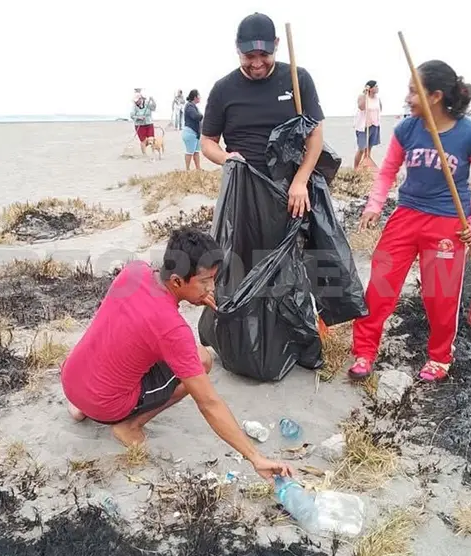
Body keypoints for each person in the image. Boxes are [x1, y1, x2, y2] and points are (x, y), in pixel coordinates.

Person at [60, 227, 295, 482]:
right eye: (205, 281)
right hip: (107, 405)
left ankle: (81, 407)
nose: (211, 287)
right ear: (177, 281)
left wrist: (194, 294)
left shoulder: (134, 271)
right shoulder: (172, 329)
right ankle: (129, 426)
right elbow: (209, 403)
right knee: (202, 360)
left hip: (71, 381)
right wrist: (255, 457)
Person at [348, 60, 471, 383]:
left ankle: (440, 358)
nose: (407, 98)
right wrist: (375, 205)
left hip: (449, 223)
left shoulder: (469, 133)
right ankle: (364, 351)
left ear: (435, 96)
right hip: (406, 216)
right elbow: (387, 171)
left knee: (440, 297)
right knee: (380, 286)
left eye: (413, 91)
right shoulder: (407, 129)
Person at [201, 12, 325, 218]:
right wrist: (226, 158)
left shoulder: (297, 79)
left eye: (264, 55)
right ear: (237, 48)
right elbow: (207, 142)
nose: (257, 63)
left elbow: (315, 133)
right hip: (243, 190)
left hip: (291, 189)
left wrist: (301, 180)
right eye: (249, 56)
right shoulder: (222, 89)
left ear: (276, 44)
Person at [354, 80, 383, 171]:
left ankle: (366, 168)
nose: (377, 88)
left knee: (368, 150)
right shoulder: (362, 97)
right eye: (375, 86)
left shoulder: (378, 99)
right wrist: (365, 94)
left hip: (374, 125)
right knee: (361, 149)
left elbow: (380, 109)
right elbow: (361, 107)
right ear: (370, 88)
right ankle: (355, 168)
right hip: (363, 127)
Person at [182, 89, 204, 171]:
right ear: (195, 97)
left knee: (196, 151)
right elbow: (195, 116)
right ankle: (187, 169)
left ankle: (198, 168)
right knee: (189, 152)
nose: (200, 98)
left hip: (195, 133)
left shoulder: (193, 106)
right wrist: (202, 116)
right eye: (199, 96)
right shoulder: (189, 106)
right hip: (190, 132)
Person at [131, 91, 157, 156]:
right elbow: (132, 116)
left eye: (137, 101)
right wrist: (139, 117)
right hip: (139, 125)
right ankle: (144, 154)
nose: (136, 102)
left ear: (140, 99)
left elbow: (154, 108)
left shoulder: (147, 103)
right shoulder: (134, 106)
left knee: (151, 139)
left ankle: (153, 153)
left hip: (149, 123)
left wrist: (153, 100)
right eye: (135, 101)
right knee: (143, 140)